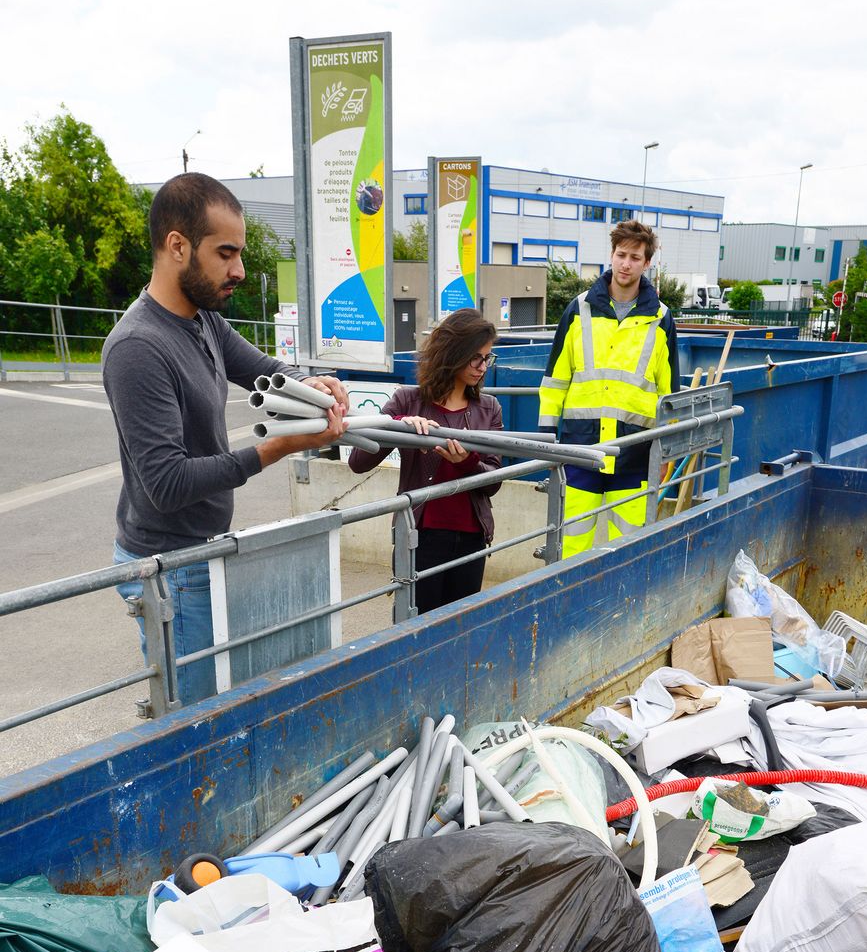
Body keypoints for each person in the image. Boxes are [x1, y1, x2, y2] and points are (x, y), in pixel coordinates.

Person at [102, 172, 348, 705]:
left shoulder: (203, 319)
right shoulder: (138, 348)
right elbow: (166, 483)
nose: (238, 270)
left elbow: (261, 368)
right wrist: (274, 449)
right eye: (226, 253)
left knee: (209, 702)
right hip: (169, 564)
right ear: (177, 246)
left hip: (199, 551)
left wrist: (311, 385)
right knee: (192, 719)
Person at [347, 309, 503, 614]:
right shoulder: (408, 399)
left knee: (459, 627)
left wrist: (466, 462)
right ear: (454, 352)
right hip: (421, 535)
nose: (483, 367)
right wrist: (399, 426)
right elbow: (358, 461)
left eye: (488, 358)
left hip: (472, 536)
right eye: (477, 358)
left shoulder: (489, 408)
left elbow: (493, 481)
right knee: (413, 624)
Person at [538, 219, 680, 557]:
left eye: (634, 257)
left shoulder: (661, 318)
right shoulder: (579, 308)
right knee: (569, 545)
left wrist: (667, 452)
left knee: (632, 548)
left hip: (635, 451)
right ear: (611, 255)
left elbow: (669, 394)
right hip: (579, 448)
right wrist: (546, 440)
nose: (626, 264)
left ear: (647, 264)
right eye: (620, 255)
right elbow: (555, 380)